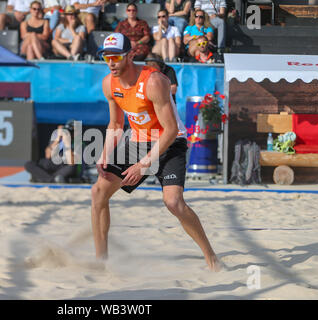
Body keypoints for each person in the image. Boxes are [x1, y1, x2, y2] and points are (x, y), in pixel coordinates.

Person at [92, 32, 221, 272]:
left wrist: (143, 165)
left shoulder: (153, 81)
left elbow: (171, 130)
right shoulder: (109, 83)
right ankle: (101, 262)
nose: (111, 62)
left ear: (130, 55)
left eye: (116, 57)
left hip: (170, 142)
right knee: (98, 191)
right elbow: (116, 125)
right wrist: (104, 155)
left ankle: (210, 256)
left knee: (173, 202)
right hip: (140, 140)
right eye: (107, 57)